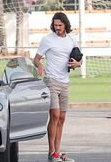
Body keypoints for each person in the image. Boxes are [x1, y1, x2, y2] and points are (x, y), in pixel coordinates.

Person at [33, 12, 81, 162]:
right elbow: (36, 59)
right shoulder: (47, 40)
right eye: (55, 25)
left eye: (60, 25)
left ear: (65, 25)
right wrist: (39, 64)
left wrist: (77, 64)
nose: (57, 28)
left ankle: (58, 153)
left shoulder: (72, 40)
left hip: (65, 82)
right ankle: (51, 152)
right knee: (54, 115)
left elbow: (79, 59)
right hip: (51, 81)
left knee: (62, 118)